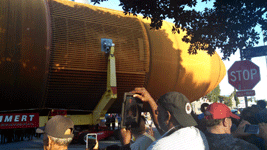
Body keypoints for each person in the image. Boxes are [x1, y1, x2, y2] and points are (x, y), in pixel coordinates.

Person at [122, 88, 209, 150]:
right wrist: (150, 100)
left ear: (168, 116)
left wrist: (126, 145)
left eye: (158, 112)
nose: (156, 113)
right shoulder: (199, 135)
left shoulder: (158, 147)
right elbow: (164, 129)